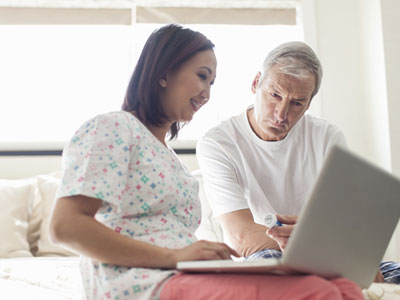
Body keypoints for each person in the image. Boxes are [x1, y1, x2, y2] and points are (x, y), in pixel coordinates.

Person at [49, 25, 364, 300]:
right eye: (202, 76)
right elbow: (65, 227)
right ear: (164, 73)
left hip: (182, 272)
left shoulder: (168, 157)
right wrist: (175, 257)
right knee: (317, 293)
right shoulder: (112, 127)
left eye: (212, 82)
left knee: (346, 289)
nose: (207, 93)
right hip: (142, 282)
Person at [196, 41, 399, 284]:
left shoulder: (327, 137)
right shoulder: (218, 142)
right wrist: (320, 245)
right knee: (279, 273)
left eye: (297, 103)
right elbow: (242, 238)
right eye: (274, 95)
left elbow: (344, 228)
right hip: (268, 255)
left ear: (309, 103)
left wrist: (345, 255)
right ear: (255, 83)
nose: (281, 114)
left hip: (326, 258)